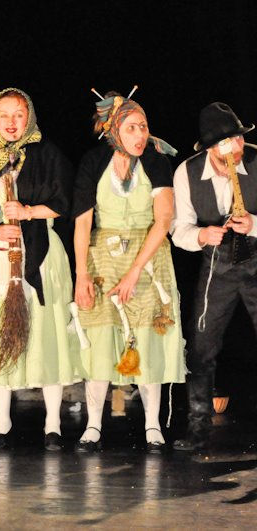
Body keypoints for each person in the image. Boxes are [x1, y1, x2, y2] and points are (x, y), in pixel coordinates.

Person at [0, 88, 82, 451]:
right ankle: (1, 423)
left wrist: (28, 211)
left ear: (29, 116)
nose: (11, 122)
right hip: (0, 253)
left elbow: (65, 202)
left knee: (46, 335)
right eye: (4, 115)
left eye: (18, 114)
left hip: (41, 251)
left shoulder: (48, 153)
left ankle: (53, 424)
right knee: (0, 331)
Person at [73, 91, 185, 453]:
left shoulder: (155, 161)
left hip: (148, 258)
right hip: (103, 258)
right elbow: (82, 222)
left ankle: (153, 425)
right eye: (132, 128)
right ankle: (93, 424)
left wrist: (135, 271)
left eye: (144, 127)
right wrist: (81, 275)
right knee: (101, 340)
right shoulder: (93, 161)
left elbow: (163, 220)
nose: (140, 135)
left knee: (149, 339)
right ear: (114, 130)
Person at [171, 102, 256, 451]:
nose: (235, 148)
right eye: (226, 143)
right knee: (201, 346)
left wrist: (254, 224)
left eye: (238, 139)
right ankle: (198, 428)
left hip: (256, 260)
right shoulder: (187, 172)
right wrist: (202, 235)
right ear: (209, 148)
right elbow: (179, 229)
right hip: (218, 265)